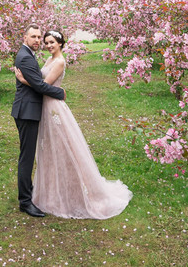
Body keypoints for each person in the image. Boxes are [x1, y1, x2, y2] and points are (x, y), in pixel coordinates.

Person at [14, 29, 132, 219]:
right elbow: (40, 83)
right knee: (42, 151)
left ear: (60, 43)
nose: (47, 44)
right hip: (39, 107)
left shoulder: (58, 60)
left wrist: (26, 81)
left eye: (51, 41)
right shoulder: (38, 57)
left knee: (61, 148)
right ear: (25, 37)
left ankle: (65, 190)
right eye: (45, 41)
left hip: (52, 108)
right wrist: (31, 83)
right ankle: (34, 196)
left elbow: (42, 84)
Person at [11, 24, 66, 217]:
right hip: (27, 112)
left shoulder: (27, 54)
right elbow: (39, 85)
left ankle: (29, 193)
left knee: (28, 156)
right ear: (24, 37)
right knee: (26, 158)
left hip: (29, 109)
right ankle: (25, 202)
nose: (37, 40)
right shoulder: (25, 57)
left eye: (38, 37)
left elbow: (35, 82)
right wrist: (60, 92)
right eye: (33, 36)